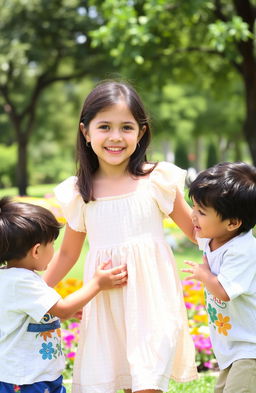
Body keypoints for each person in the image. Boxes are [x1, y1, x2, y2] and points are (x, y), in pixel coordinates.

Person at [43, 80, 198, 393]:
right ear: (86, 132)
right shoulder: (80, 193)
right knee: (124, 377)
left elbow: (197, 234)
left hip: (153, 301)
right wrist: (38, 293)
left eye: (126, 127)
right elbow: (67, 254)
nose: (115, 137)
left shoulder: (158, 180)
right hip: (107, 301)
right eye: (104, 127)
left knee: (148, 381)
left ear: (141, 132)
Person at [0, 197, 127, 393]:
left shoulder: (13, 278)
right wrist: (97, 283)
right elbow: (64, 309)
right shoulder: (22, 282)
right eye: (51, 245)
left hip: (32, 375)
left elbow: (36, 311)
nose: (53, 250)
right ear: (36, 250)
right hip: (27, 380)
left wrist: (55, 312)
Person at [183, 161, 256, 393]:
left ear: (233, 223)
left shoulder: (242, 250)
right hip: (231, 347)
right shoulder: (214, 238)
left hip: (250, 348)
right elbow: (189, 224)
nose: (193, 216)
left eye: (201, 212)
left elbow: (224, 292)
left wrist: (204, 275)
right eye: (193, 207)